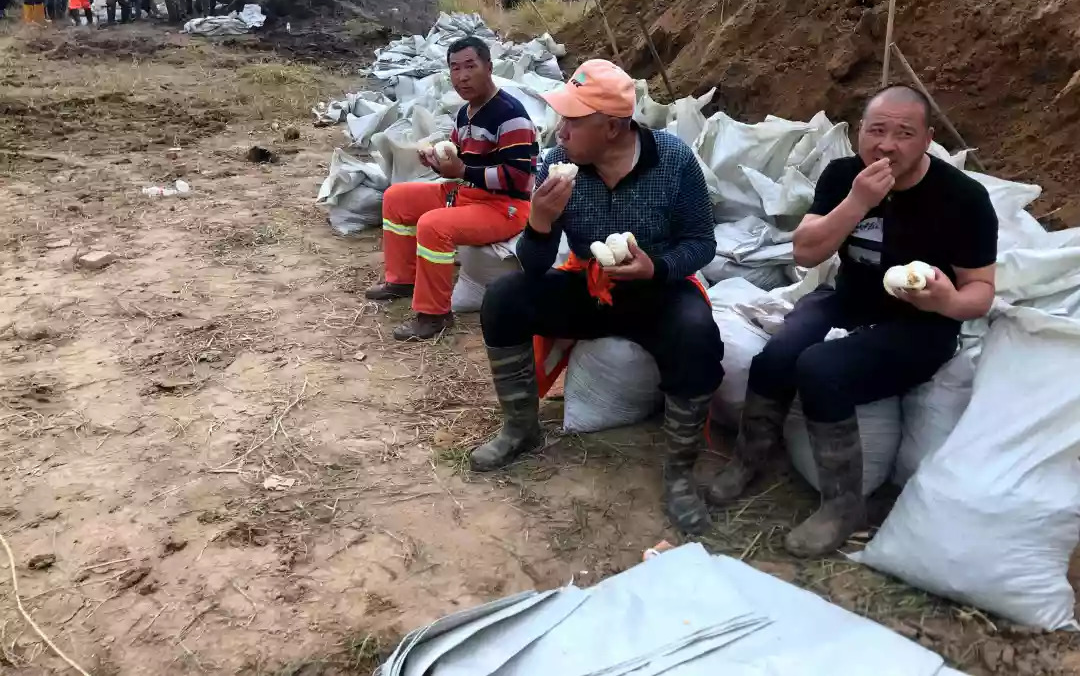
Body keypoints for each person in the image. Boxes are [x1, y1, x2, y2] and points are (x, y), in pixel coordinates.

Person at [710, 85, 998, 557]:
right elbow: (806, 251)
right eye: (877, 130)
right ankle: (749, 459)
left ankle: (843, 507)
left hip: (923, 324)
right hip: (850, 299)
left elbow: (980, 294)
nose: (887, 145)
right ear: (859, 133)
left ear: (927, 139)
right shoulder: (845, 175)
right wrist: (857, 202)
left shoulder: (963, 197)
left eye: (904, 133)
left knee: (822, 370)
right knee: (777, 356)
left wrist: (945, 300)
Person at [471, 59, 725, 535]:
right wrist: (541, 222)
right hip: (589, 286)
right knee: (504, 298)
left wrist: (658, 266)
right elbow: (533, 264)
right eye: (561, 118)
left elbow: (702, 242)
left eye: (573, 121)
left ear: (611, 128)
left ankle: (679, 474)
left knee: (698, 336)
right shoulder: (553, 164)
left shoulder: (672, 160)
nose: (560, 131)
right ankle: (521, 429)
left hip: (656, 290)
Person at [365, 36, 538, 340]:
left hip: (504, 207)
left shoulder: (511, 116)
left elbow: (520, 177)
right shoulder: (464, 113)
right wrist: (435, 161)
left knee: (433, 225)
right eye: (455, 68)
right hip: (466, 194)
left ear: (489, 67)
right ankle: (403, 279)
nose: (462, 76)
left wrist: (463, 171)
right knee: (396, 198)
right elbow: (457, 161)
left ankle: (434, 315)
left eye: (471, 66)